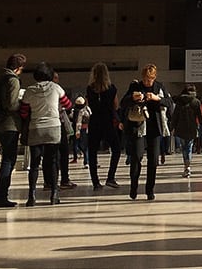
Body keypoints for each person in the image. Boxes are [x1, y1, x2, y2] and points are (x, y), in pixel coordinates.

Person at [20, 63, 69, 206]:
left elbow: (23, 112)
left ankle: (32, 196)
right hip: (53, 127)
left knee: (34, 164)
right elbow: (68, 104)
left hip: (36, 128)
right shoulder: (56, 88)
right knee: (53, 161)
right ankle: (54, 194)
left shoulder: (30, 90)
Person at [121, 64, 172, 200]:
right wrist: (133, 98)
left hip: (154, 128)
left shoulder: (159, 87)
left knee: (153, 160)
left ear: (154, 78)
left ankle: (150, 190)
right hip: (138, 128)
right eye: (145, 79)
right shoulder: (135, 86)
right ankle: (133, 187)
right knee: (136, 158)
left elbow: (170, 103)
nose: (147, 82)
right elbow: (123, 102)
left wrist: (157, 99)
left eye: (150, 79)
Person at [0, 53, 25, 208]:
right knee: (9, 160)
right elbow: (11, 104)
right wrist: (22, 103)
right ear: (19, 67)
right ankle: (1, 195)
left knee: (6, 159)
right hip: (10, 124)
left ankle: (0, 195)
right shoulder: (13, 80)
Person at [86, 62, 120, 191]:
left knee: (93, 152)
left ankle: (96, 182)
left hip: (94, 122)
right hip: (107, 121)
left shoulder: (90, 88)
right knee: (116, 149)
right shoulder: (111, 88)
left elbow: (88, 104)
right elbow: (116, 106)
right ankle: (110, 177)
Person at [170, 84, 202, 178]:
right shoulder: (196, 102)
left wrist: (171, 127)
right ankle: (187, 166)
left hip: (180, 128)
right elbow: (200, 116)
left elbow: (175, 116)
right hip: (192, 127)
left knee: (184, 147)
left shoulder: (179, 102)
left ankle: (186, 164)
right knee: (189, 147)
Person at [72, 96, 90, 165]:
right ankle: (87, 160)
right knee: (86, 145)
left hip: (82, 130)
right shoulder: (88, 109)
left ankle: (86, 161)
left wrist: (77, 131)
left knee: (83, 145)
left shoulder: (81, 111)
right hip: (87, 129)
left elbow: (78, 122)